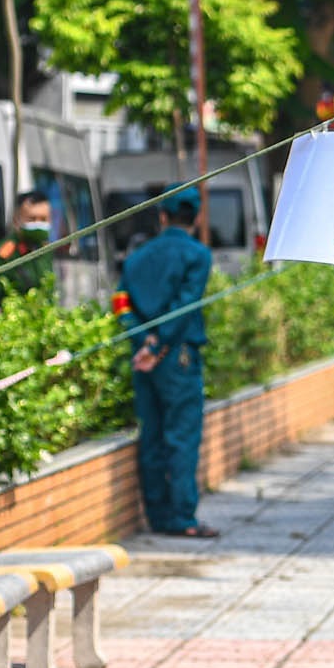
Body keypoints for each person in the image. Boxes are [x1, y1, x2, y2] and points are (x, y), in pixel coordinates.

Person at [118, 186, 218, 539]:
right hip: (178, 356)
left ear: (162, 216)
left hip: (142, 358)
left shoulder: (136, 258)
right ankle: (182, 518)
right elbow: (185, 304)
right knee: (182, 436)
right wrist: (159, 344)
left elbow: (120, 302)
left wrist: (140, 339)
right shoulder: (198, 255)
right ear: (198, 217)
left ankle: (157, 515)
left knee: (152, 435)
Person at [0, 190, 58, 304]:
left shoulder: (45, 250)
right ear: (16, 220)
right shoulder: (6, 252)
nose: (38, 224)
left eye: (43, 219)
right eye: (32, 219)